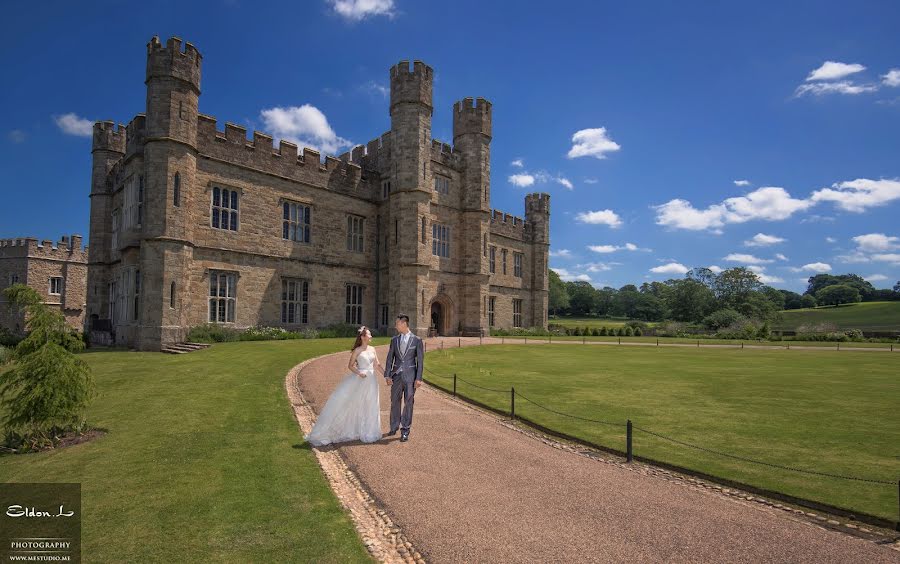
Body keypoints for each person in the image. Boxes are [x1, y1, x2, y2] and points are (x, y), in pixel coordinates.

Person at [304, 326, 385, 446]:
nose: (371, 336)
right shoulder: (357, 351)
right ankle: (347, 429)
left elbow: (377, 365)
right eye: (369, 334)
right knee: (353, 404)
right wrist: (359, 372)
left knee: (371, 403)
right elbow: (350, 366)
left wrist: (386, 376)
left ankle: (370, 431)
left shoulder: (373, 349)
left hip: (372, 381)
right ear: (363, 337)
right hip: (360, 380)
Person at [383, 313, 424, 442]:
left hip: (411, 376)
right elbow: (390, 359)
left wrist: (418, 378)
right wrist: (388, 375)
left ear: (404, 324)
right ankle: (394, 426)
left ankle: (405, 429)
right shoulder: (394, 340)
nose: (396, 326)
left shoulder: (417, 340)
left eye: (397, 324)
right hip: (396, 376)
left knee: (408, 402)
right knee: (394, 401)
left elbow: (420, 362)